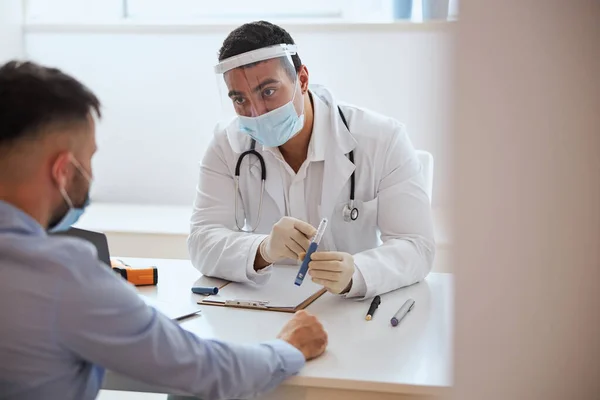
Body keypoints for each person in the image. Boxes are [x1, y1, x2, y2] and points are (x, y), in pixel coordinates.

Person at [0, 61, 327, 400]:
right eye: (89, 159)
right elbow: (206, 370)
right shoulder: (63, 276)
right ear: (64, 171)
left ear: (302, 80)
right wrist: (289, 347)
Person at [188, 21, 435, 298]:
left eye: (267, 92)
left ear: (302, 80)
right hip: (266, 307)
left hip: (349, 310)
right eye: (240, 100)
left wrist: (359, 273)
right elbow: (201, 240)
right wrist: (263, 249)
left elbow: (417, 246)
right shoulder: (227, 145)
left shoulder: (382, 139)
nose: (255, 112)